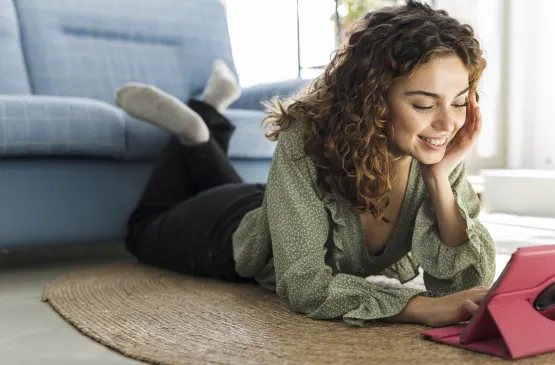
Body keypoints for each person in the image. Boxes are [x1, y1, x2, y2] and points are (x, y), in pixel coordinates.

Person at [118, 0, 496, 328]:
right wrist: (419, 308)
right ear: (374, 100)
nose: (448, 124)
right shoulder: (305, 139)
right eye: (424, 105)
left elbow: (466, 286)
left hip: (277, 208)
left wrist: (438, 178)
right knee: (140, 230)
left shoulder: (437, 149)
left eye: (460, 101)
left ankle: (206, 122)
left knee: (258, 205)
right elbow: (304, 286)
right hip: (225, 229)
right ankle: (197, 130)